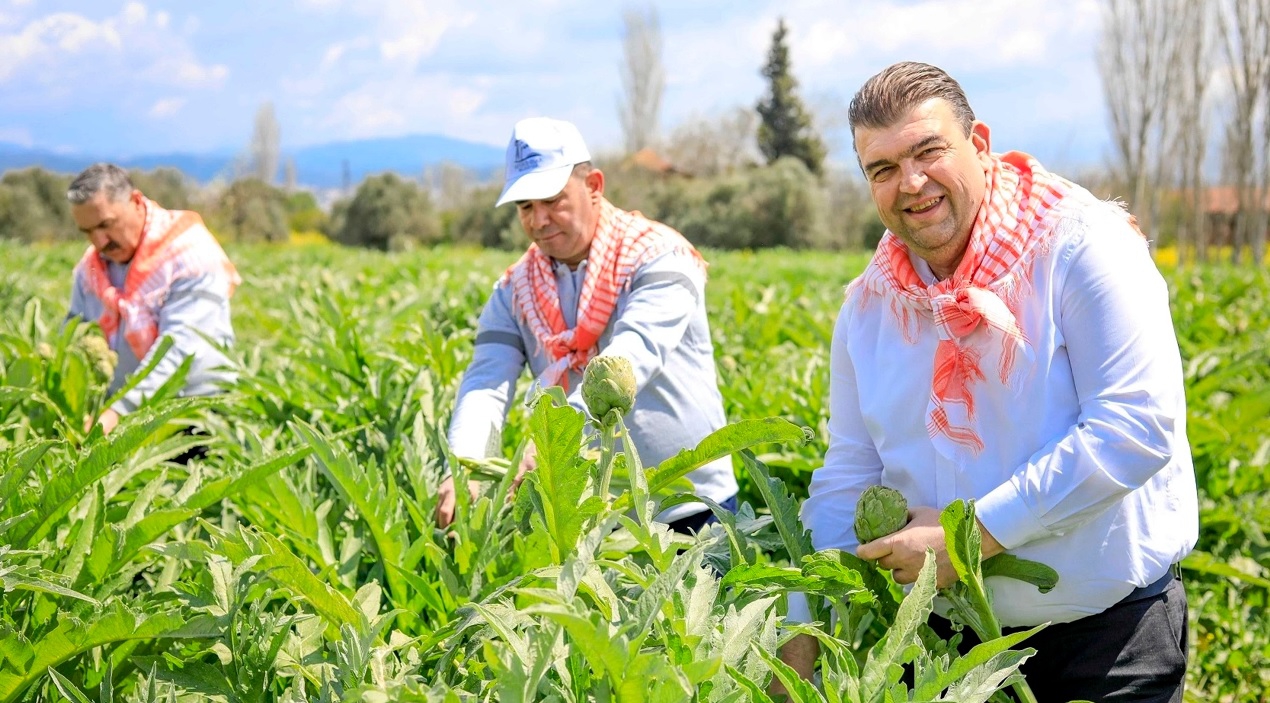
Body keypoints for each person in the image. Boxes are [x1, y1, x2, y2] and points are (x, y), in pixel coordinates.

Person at [780, 62, 1197, 702]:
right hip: (947, 651)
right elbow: (849, 471)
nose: (911, 183)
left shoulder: (1081, 247)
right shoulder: (868, 307)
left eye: (928, 151)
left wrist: (970, 540)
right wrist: (804, 624)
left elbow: (1133, 430)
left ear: (978, 146)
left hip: (1105, 639)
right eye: (882, 169)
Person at [436, 117, 738, 533]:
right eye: (526, 207)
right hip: (589, 518)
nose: (539, 219)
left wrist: (554, 444)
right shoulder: (513, 290)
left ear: (594, 186)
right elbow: (486, 382)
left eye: (552, 200)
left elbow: (632, 355)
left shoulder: (660, 257)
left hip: (689, 506)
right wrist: (464, 463)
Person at [66, 163, 239, 435]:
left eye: (106, 225)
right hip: (120, 419)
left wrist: (119, 411)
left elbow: (180, 349)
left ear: (135, 201)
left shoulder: (189, 255)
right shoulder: (90, 271)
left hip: (194, 414)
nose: (99, 242)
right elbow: (73, 335)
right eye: (87, 231)